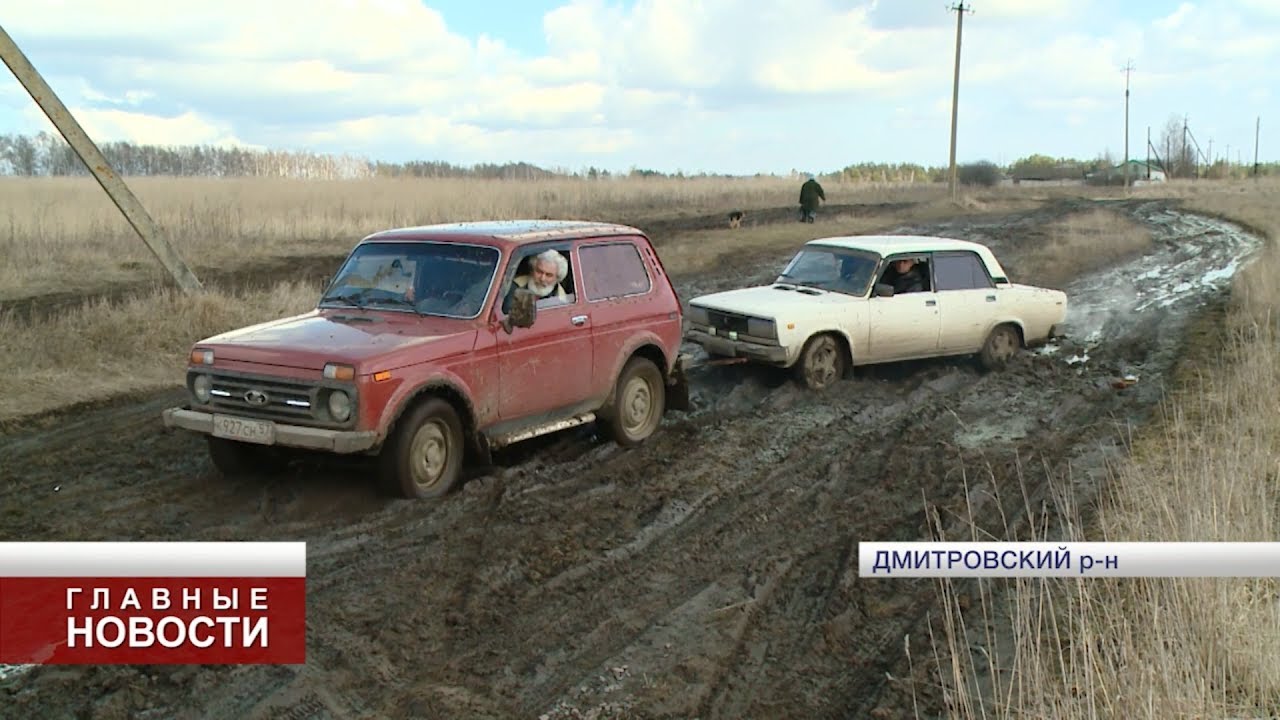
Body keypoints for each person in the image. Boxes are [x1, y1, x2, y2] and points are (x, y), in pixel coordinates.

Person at [503, 248, 568, 313]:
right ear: (532, 270)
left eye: (548, 275)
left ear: (557, 278)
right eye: (539, 272)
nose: (542, 279)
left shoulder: (562, 301)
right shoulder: (513, 286)